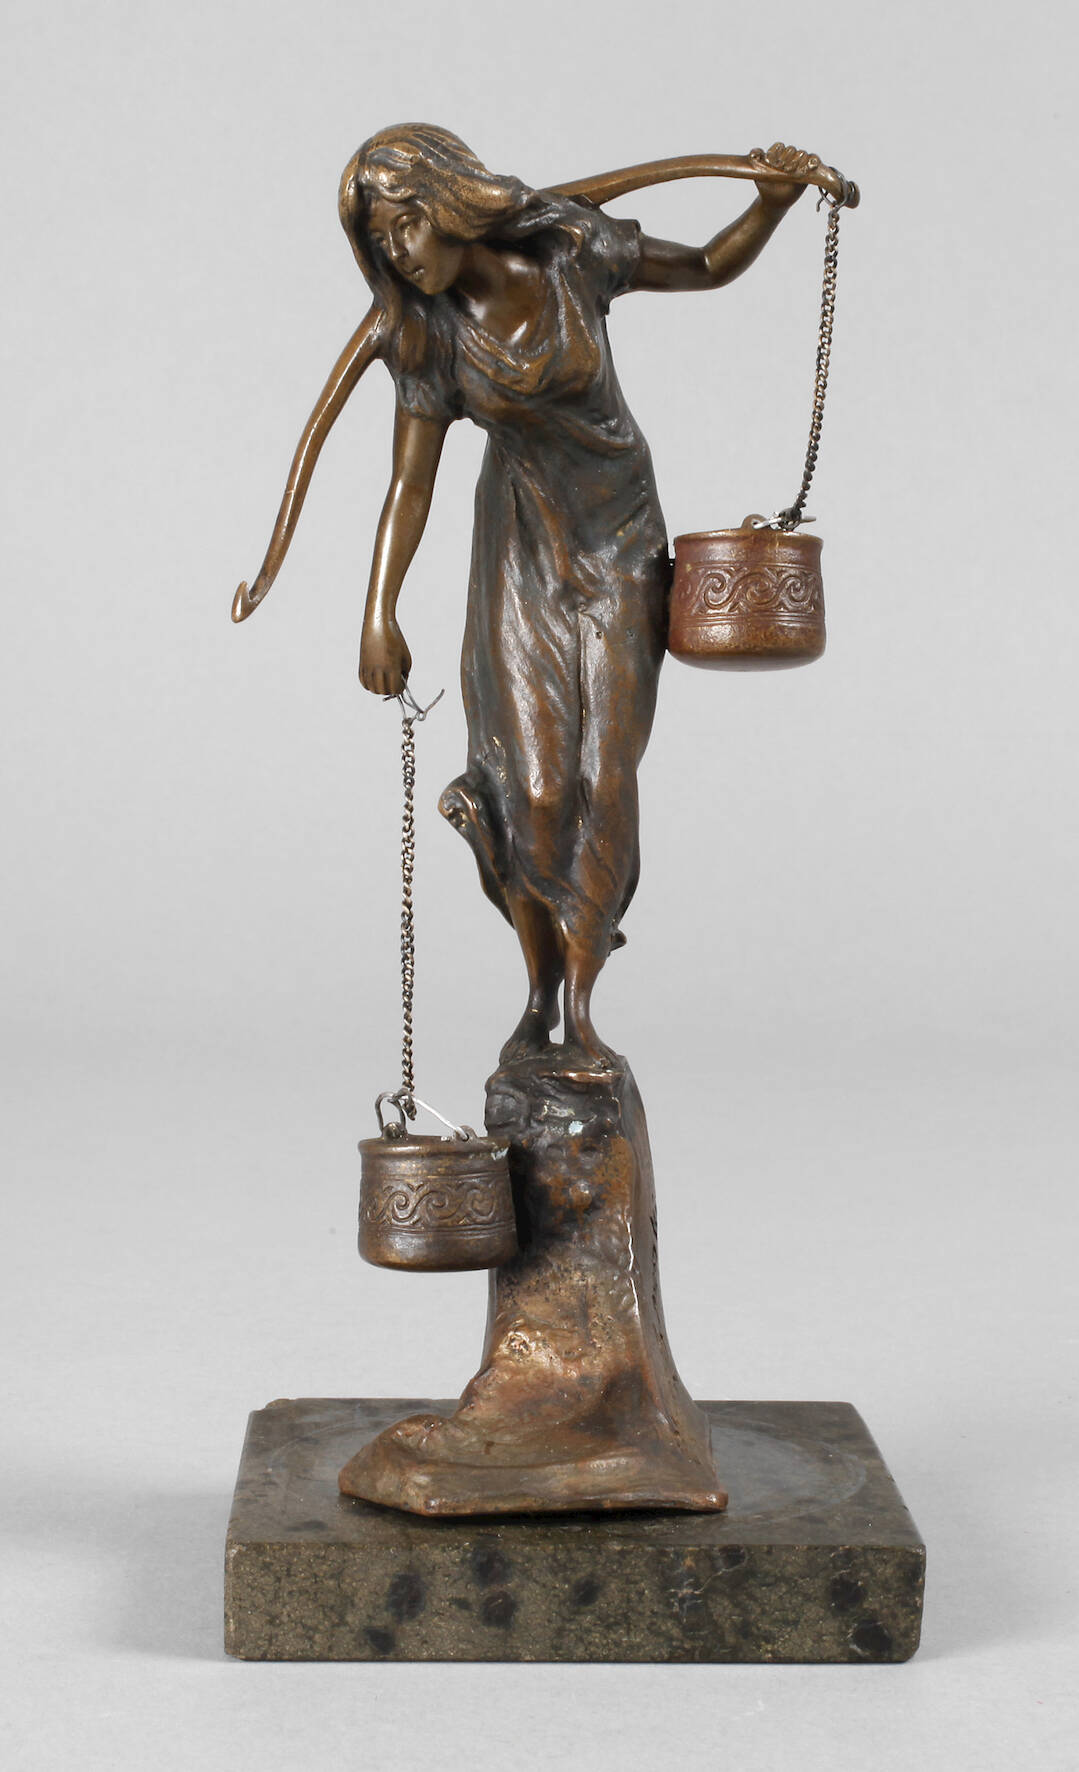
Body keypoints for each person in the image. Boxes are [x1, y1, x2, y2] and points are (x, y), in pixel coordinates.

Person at [233, 125, 819, 1066]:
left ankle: (582, 1005)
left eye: (407, 223)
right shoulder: (427, 334)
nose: (399, 251)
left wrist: (772, 203)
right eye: (380, 239)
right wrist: (378, 611)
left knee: (604, 775)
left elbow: (708, 266)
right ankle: (541, 992)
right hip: (519, 551)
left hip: (620, 541)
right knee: (534, 786)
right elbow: (408, 487)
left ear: (450, 203)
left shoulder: (569, 254)